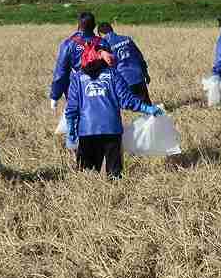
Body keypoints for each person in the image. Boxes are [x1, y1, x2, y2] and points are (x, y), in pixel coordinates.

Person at [65, 44, 163, 179]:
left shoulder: (77, 79)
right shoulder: (113, 74)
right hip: (112, 130)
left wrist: (71, 130)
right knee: (115, 175)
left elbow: (71, 109)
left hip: (87, 132)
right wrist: (148, 108)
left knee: (86, 177)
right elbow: (127, 100)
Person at [50, 12, 111, 113]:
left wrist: (55, 96)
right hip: (100, 92)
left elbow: (61, 73)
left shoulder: (69, 44)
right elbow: (111, 68)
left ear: (78, 25)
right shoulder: (103, 43)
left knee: (77, 120)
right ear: (94, 26)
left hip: (77, 91)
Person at [97, 22, 151, 104]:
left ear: (101, 34)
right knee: (146, 104)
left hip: (123, 80)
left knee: (126, 104)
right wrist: (145, 73)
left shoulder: (105, 45)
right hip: (138, 76)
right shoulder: (127, 39)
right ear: (112, 29)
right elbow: (139, 57)